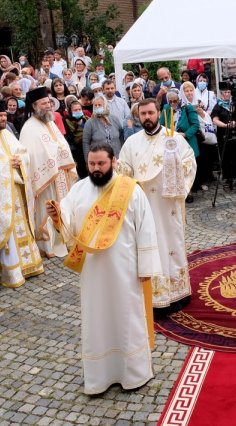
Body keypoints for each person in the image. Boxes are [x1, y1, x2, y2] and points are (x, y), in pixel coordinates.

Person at [47, 144, 160, 395]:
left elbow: (146, 228)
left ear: (114, 162)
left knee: (128, 318)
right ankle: (100, 377)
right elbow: (67, 218)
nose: (96, 169)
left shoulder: (130, 190)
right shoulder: (79, 190)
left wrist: (147, 266)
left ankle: (134, 373)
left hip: (126, 271)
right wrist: (57, 216)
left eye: (101, 164)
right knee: (96, 319)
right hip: (93, 273)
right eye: (92, 164)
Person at [117, 100, 197, 312]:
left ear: (159, 113)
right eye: (143, 114)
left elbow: (190, 162)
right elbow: (123, 172)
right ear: (138, 116)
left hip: (168, 205)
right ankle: (153, 296)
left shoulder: (173, 139)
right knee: (148, 248)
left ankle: (178, 293)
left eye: (150, 113)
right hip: (143, 207)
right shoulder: (131, 142)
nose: (147, 117)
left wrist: (176, 175)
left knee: (172, 245)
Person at [0, 98, 45, 289]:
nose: (4, 118)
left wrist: (21, 161)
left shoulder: (8, 134)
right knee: (9, 231)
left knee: (23, 228)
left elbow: (23, 153)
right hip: (2, 196)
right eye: (0, 115)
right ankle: (12, 272)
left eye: (5, 114)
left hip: (17, 192)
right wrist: (5, 165)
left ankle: (29, 264)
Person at [17, 86, 78, 258]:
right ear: (35, 106)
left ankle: (66, 238)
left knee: (63, 206)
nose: (48, 106)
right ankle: (48, 244)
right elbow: (31, 155)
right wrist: (51, 163)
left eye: (49, 102)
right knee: (47, 210)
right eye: (44, 103)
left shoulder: (50, 122)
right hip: (46, 179)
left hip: (61, 176)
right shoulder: (29, 128)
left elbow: (61, 144)